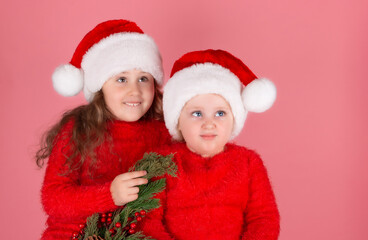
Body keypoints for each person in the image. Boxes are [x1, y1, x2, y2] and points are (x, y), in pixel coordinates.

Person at [35, 19, 171, 239]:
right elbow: (53, 199)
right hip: (74, 234)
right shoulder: (78, 130)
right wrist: (109, 195)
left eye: (143, 78)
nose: (134, 90)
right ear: (100, 87)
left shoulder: (163, 134)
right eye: (121, 79)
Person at [141, 49, 280, 239]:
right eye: (197, 113)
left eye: (220, 113)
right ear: (178, 121)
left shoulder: (249, 163)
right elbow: (149, 220)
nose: (209, 123)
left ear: (235, 120)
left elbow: (264, 218)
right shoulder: (162, 164)